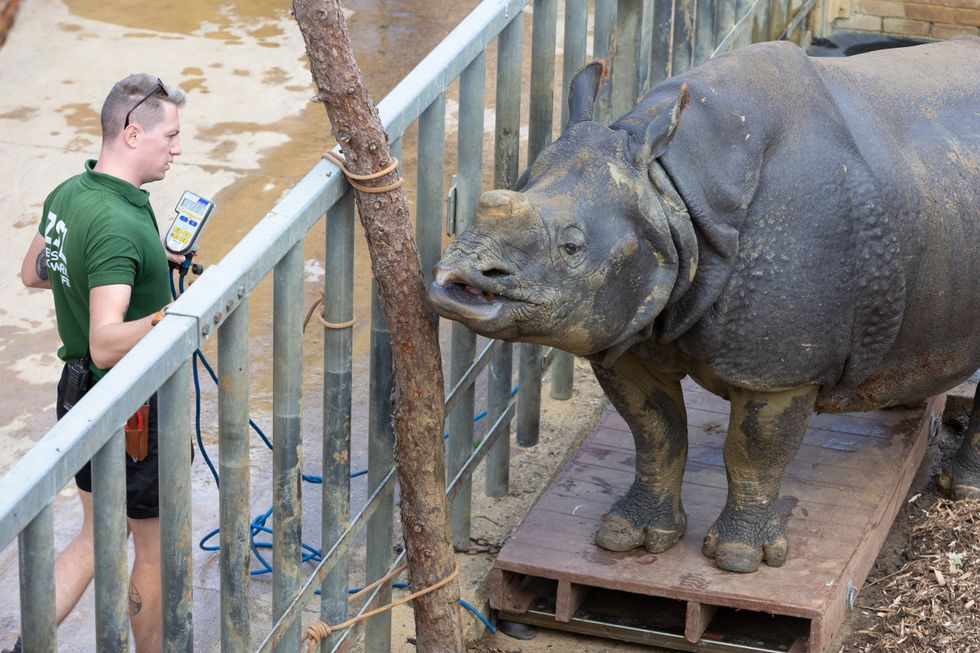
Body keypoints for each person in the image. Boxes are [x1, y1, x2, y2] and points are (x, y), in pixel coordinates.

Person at [16, 73, 188, 653]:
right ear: (133, 133)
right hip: (129, 408)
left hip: (76, 392)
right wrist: (173, 315)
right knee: (153, 548)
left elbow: (33, 272)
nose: (177, 149)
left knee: (95, 536)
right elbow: (106, 343)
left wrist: (141, 263)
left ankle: (26, 645)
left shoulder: (71, 191)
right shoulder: (119, 223)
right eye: (171, 136)